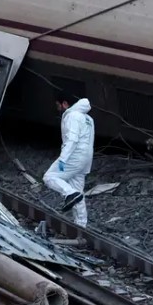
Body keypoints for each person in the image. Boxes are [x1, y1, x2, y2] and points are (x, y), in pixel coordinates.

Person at [42, 91, 95, 227]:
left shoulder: (72, 116)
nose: (58, 108)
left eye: (58, 105)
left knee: (49, 177)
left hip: (74, 156)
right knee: (78, 190)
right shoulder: (88, 119)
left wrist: (63, 159)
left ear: (65, 103)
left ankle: (69, 193)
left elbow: (72, 139)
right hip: (85, 159)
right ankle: (81, 226)